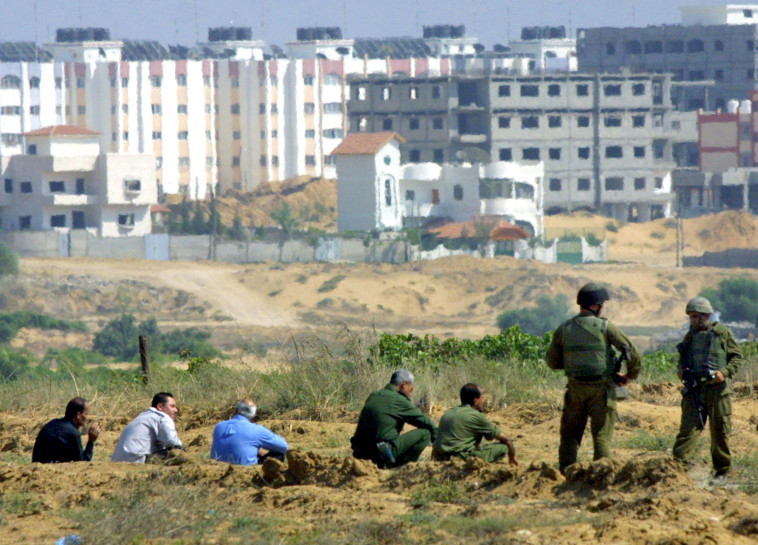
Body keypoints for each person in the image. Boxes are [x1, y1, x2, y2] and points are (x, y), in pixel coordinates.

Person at [546, 283, 641, 475]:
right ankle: (601, 474)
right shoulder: (605, 327)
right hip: (601, 389)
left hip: (575, 388)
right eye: (602, 304)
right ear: (596, 306)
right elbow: (632, 351)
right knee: (601, 435)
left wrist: (576, 364)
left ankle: (566, 473)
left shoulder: (564, 328)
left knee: (570, 434)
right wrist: (630, 376)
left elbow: (552, 361)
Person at [672, 297, 743, 482]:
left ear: (706, 316)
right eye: (691, 317)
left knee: (719, 431)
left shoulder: (722, 333)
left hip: (718, 391)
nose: (693, 320)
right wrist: (681, 370)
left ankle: (721, 472)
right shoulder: (689, 337)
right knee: (688, 431)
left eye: (696, 316)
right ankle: (677, 471)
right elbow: (683, 359)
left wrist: (724, 372)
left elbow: (736, 357)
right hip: (695, 390)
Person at [351, 369, 437, 468]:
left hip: (360, 453)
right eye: (411, 389)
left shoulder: (374, 395)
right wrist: (439, 440)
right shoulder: (398, 400)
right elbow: (425, 422)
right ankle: (401, 468)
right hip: (380, 454)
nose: (411, 393)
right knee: (425, 433)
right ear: (403, 385)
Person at [432, 383, 518, 465]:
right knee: (503, 447)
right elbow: (506, 439)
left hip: (438, 456)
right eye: (482, 397)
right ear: (476, 400)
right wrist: (512, 456)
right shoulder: (476, 416)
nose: (484, 401)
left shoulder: (449, 412)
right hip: (458, 457)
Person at [210, 399, 288, 465]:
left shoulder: (219, 426)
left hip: (217, 468)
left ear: (236, 410)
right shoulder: (256, 430)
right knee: (279, 454)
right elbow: (284, 446)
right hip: (244, 471)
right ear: (253, 416)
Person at [112, 392, 183, 463]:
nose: (176, 410)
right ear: (160, 407)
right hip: (137, 459)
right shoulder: (163, 417)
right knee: (178, 453)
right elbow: (173, 442)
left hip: (116, 461)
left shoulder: (142, 416)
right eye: (172, 406)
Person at [32, 397, 100, 463]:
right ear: (78, 415)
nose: (88, 417)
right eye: (86, 414)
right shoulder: (73, 433)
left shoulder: (52, 423)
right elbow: (82, 462)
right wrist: (91, 441)